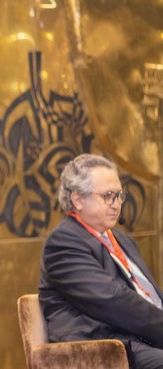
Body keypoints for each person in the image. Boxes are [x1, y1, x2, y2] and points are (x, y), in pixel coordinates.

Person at [39, 153, 163, 368]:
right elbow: (114, 300)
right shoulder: (63, 242)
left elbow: (146, 294)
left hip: (140, 339)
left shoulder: (122, 239)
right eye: (108, 196)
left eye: (119, 195)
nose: (116, 205)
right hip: (105, 348)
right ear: (78, 200)